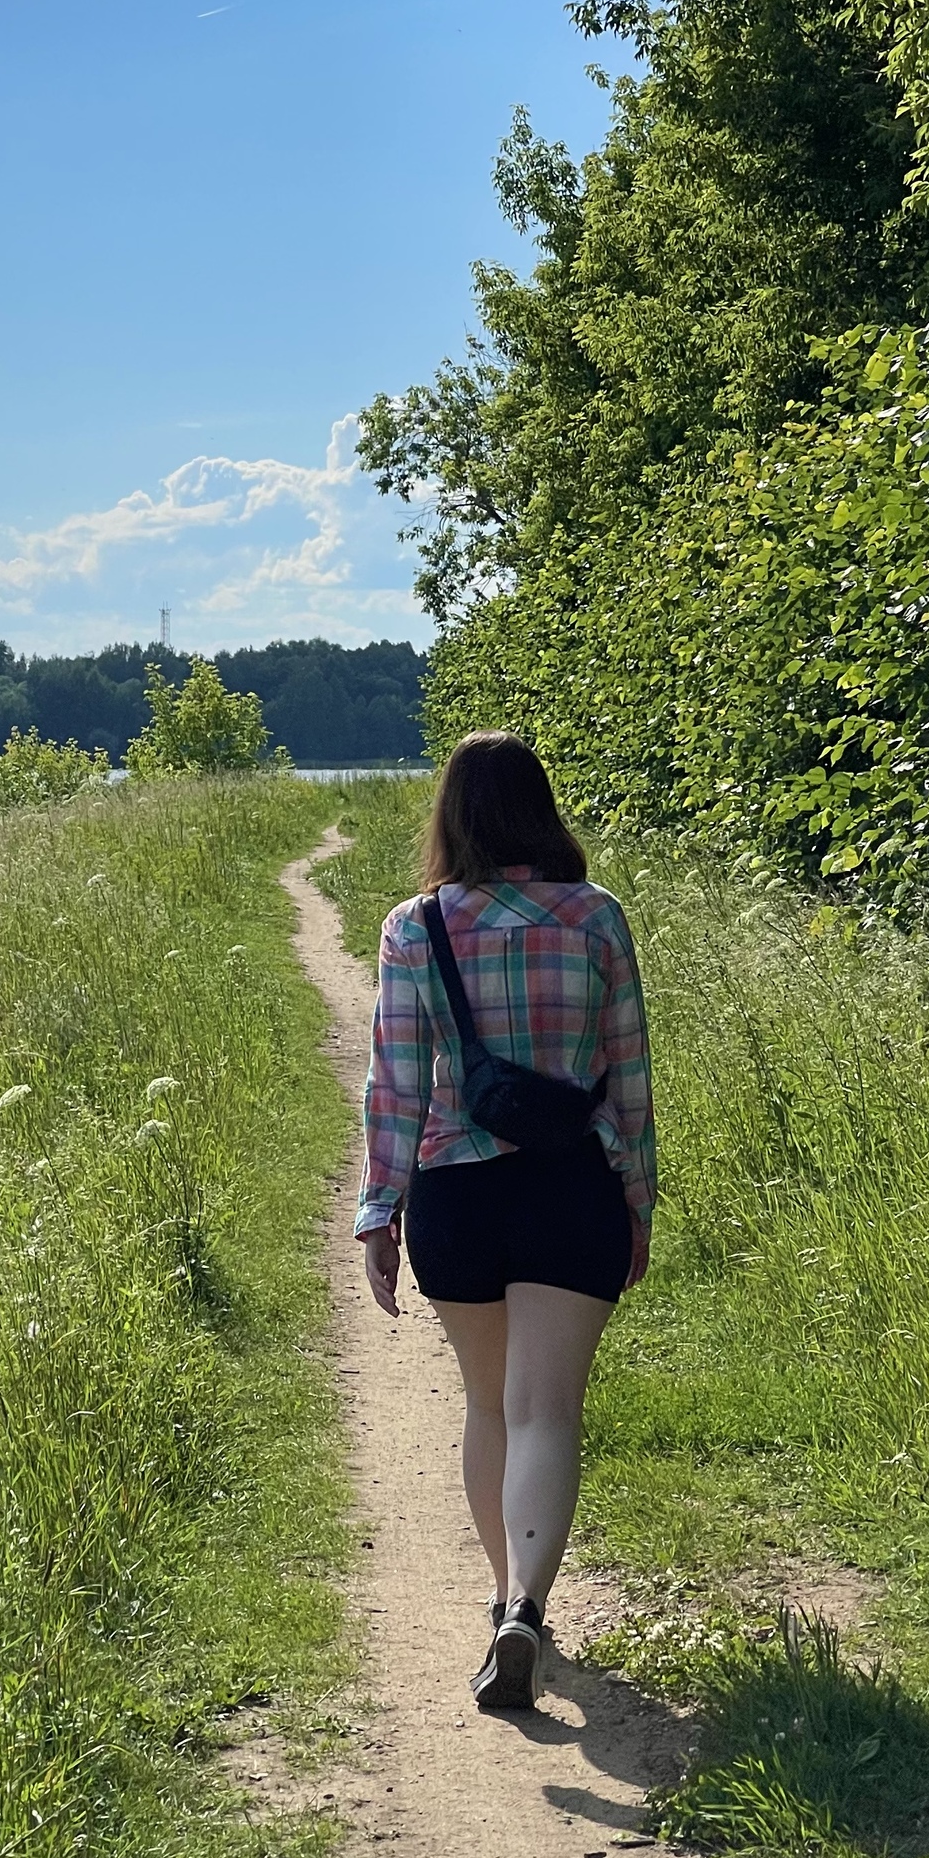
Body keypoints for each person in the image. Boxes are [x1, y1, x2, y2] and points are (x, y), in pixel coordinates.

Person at [357, 731, 655, 1712]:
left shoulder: (414, 927)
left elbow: (394, 1085)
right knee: (545, 1411)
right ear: (542, 810)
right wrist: (634, 1199)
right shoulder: (596, 919)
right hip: (569, 1188)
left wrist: (379, 1210)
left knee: (487, 1406)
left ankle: (503, 1603)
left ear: (450, 815)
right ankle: (529, 1602)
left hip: (457, 1192)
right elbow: (627, 1083)